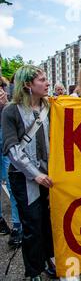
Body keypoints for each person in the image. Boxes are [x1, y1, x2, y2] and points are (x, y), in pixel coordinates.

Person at [1, 65, 56, 281]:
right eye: (42, 80)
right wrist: (36, 175)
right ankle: (34, 273)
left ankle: (47, 259)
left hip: (50, 175)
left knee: (47, 222)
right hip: (24, 178)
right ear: (27, 85)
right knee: (32, 225)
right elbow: (11, 148)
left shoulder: (50, 106)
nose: (47, 83)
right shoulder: (11, 111)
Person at [0, 76, 22, 246]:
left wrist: (4, 105)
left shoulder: (10, 105)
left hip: (4, 138)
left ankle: (17, 226)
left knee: (11, 182)